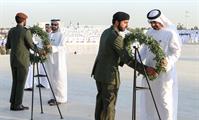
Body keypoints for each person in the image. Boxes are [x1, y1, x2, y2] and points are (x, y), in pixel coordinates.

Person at [91, 11, 158, 120]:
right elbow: (127, 59)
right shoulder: (116, 37)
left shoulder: (106, 32)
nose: (127, 25)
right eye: (125, 22)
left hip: (99, 73)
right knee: (109, 105)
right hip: (109, 76)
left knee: (101, 102)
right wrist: (145, 69)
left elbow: (110, 53)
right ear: (117, 22)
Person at [139, 9, 182, 120]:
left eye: (155, 22)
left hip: (164, 74)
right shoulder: (149, 33)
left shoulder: (170, 33)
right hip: (149, 72)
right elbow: (144, 50)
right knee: (149, 100)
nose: (153, 25)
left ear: (161, 20)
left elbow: (176, 52)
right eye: (151, 23)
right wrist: (136, 60)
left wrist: (166, 63)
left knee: (165, 102)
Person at [6, 12, 39, 111]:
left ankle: (13, 104)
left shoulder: (11, 31)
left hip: (13, 60)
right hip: (22, 61)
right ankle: (18, 105)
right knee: (21, 83)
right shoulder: (25, 31)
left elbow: (7, 46)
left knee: (15, 82)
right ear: (24, 20)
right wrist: (41, 51)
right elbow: (31, 46)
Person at [45, 19, 67, 106]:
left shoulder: (62, 35)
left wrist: (52, 48)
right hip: (50, 60)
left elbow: (62, 47)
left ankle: (60, 98)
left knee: (59, 79)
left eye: (55, 24)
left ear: (59, 25)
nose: (53, 26)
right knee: (52, 79)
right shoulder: (49, 35)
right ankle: (53, 96)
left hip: (59, 61)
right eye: (52, 24)